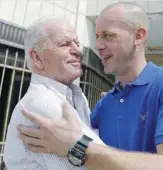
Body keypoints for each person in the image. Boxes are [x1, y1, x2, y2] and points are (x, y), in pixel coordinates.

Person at [17, 2, 163, 170]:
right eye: (97, 37)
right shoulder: (104, 105)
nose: (98, 45)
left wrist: (78, 147)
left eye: (108, 36)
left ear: (138, 36)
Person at [3, 17, 104, 170]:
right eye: (64, 44)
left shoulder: (74, 96)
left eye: (77, 43)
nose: (78, 50)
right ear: (37, 58)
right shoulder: (42, 103)